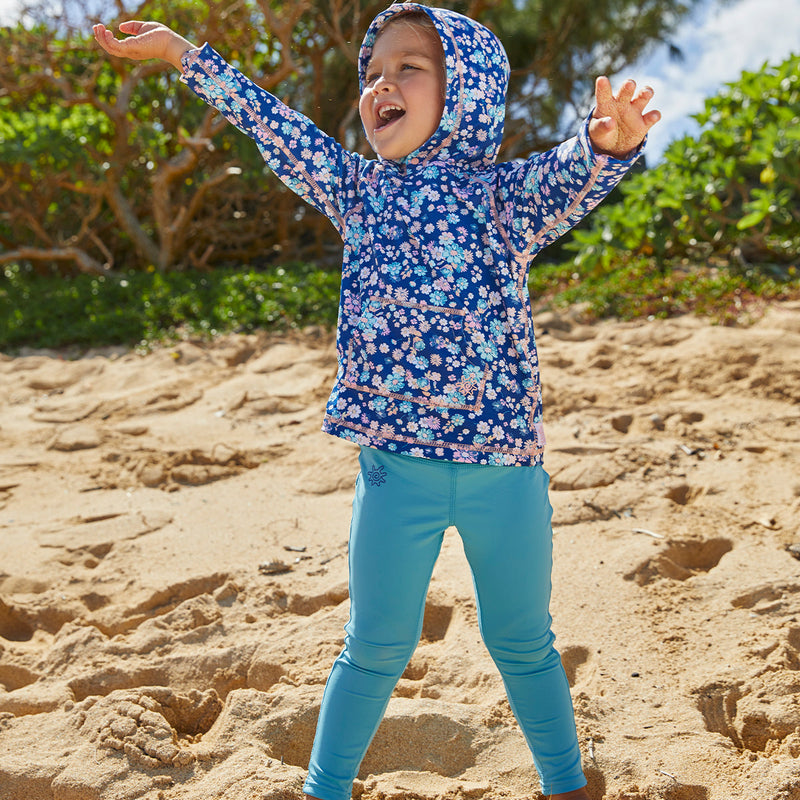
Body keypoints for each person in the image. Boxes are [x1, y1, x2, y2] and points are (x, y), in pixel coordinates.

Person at [94, 6, 660, 799]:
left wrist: (610, 142)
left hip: (507, 473)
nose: (379, 85)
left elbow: (570, 170)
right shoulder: (357, 191)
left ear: (463, 90)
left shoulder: (502, 201)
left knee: (524, 641)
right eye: (370, 74)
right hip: (395, 474)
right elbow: (277, 128)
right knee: (375, 646)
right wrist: (186, 55)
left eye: (407, 68)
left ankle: (566, 786)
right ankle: (325, 790)